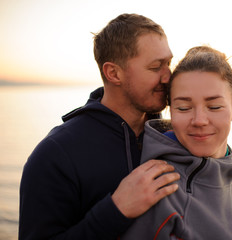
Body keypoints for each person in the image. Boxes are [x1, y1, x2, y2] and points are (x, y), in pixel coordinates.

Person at [19, 13, 180, 239]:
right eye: (156, 67)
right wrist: (116, 210)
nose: (168, 77)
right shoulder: (55, 154)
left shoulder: (175, 135)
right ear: (113, 73)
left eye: (168, 64)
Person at [119, 46, 232, 239]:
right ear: (171, 110)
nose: (199, 120)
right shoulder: (155, 191)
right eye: (184, 108)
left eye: (214, 106)